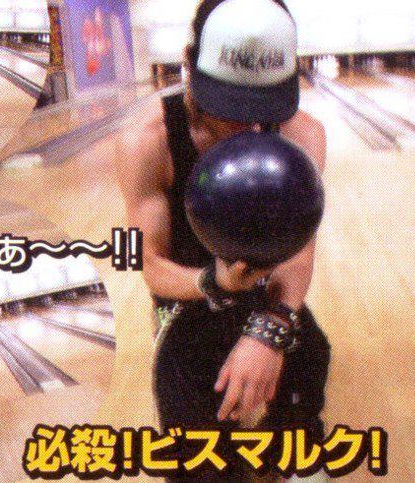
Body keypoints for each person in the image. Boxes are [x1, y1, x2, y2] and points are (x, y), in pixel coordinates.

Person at [117, 0, 330, 480]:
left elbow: (299, 250)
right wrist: (213, 283)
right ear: (189, 66)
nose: (249, 126)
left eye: (264, 107)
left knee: (311, 353)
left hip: (267, 292)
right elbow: (148, 264)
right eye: (231, 105)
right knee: (192, 439)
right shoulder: (144, 141)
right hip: (186, 295)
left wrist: (269, 331)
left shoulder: (304, 135)